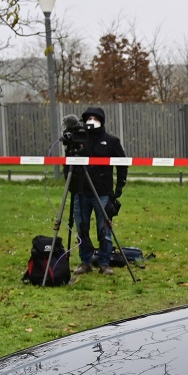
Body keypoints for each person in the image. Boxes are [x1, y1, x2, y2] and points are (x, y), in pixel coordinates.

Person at [65, 106, 128, 276]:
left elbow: (122, 163)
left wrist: (119, 185)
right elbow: (67, 162)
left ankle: (104, 263)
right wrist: (70, 184)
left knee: (104, 230)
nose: (91, 121)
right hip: (80, 191)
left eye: (95, 118)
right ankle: (85, 262)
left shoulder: (111, 141)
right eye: (88, 118)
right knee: (82, 228)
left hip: (102, 193)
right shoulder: (78, 140)